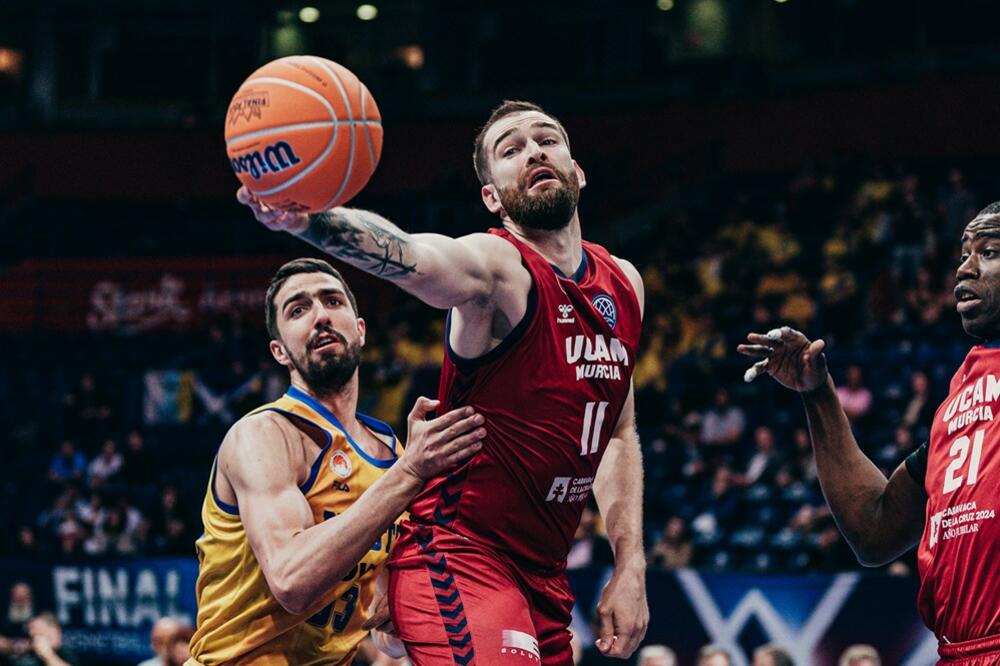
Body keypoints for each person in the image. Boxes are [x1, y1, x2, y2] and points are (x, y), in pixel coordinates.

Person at [240, 99, 647, 663]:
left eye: (546, 140)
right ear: (492, 198)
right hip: (460, 554)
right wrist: (311, 220)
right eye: (510, 149)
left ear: (576, 171)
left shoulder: (625, 284)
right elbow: (414, 256)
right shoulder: (498, 268)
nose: (532, 150)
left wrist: (631, 564)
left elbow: (618, 434)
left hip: (544, 572)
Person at [186, 258, 486, 665]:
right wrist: (412, 472)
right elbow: (292, 582)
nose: (320, 316)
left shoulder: (388, 451)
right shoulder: (263, 436)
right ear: (280, 352)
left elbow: (384, 629)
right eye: (298, 309)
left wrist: (398, 610)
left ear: (360, 331)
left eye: (332, 301)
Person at [739, 204, 1000, 664]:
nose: (966, 266)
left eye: (990, 251)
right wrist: (817, 394)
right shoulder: (959, 402)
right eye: (964, 253)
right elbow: (873, 528)